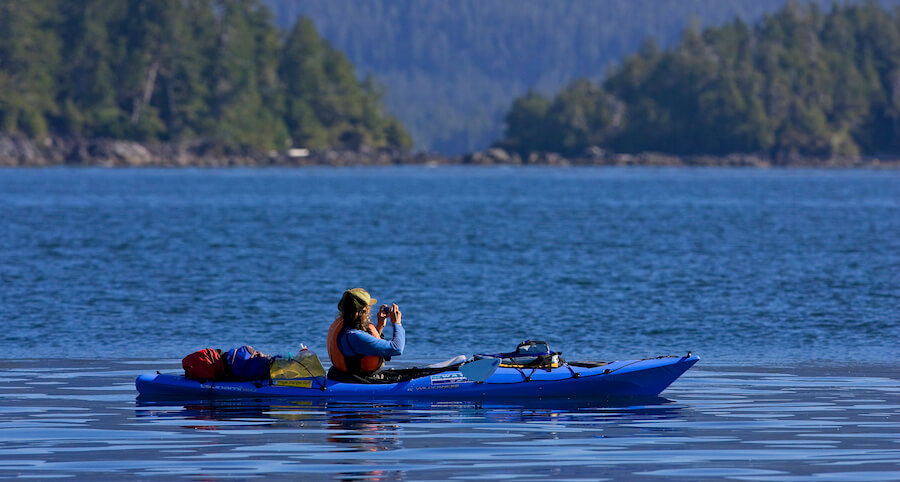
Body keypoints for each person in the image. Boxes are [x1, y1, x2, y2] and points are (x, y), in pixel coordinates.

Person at [326, 288, 404, 381]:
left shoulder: (345, 328)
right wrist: (397, 324)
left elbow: (366, 348)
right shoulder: (354, 336)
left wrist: (380, 325)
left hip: (344, 376)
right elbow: (396, 348)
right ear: (363, 311)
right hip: (358, 380)